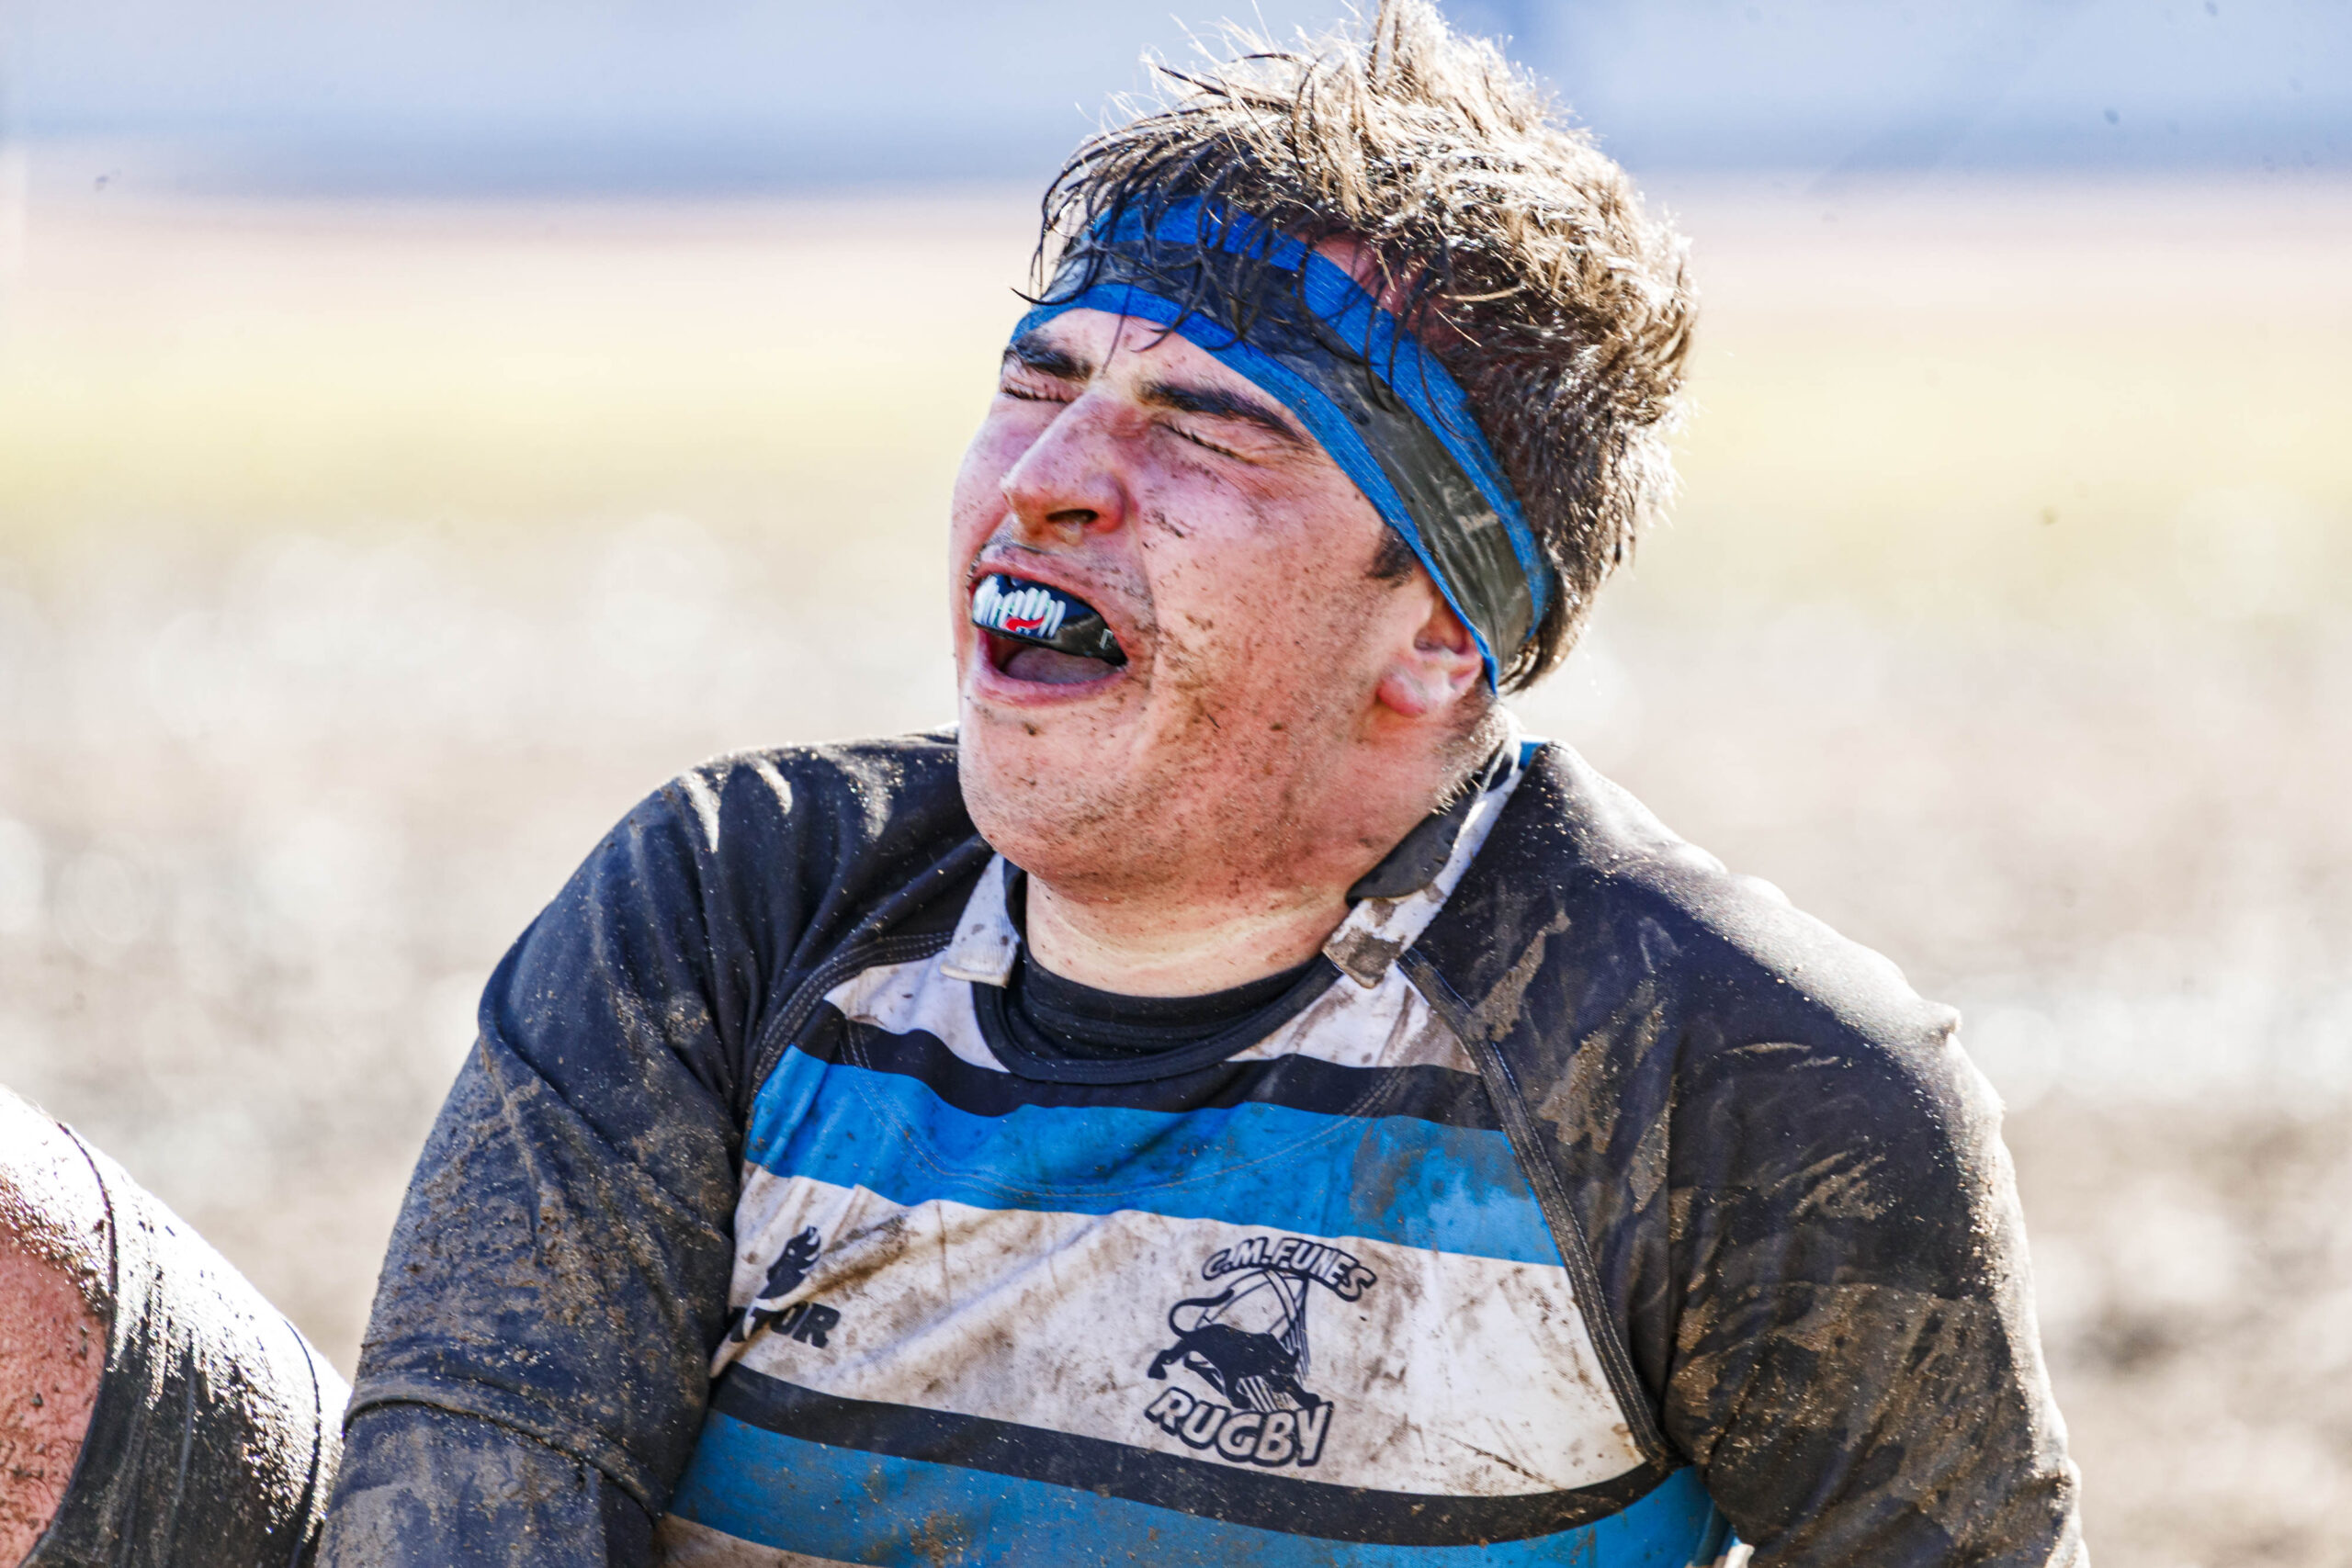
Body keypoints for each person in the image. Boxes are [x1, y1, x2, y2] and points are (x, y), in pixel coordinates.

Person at [6, 4, 2086, 1563]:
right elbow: (470, 1508)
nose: (1055, 475)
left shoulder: (1742, 1078)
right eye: (1038, 377)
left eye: (1208, 422)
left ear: (1437, 635)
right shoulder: (724, 912)